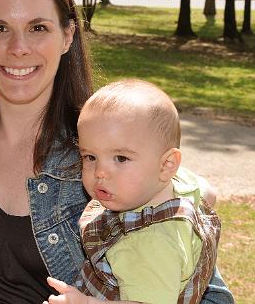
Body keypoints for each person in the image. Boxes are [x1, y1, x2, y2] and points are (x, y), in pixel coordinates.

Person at [0, 0, 233, 304]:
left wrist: (193, 197)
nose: (19, 48)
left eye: (38, 28)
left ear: (67, 36)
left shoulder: (106, 156)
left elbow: (210, 295)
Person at [45, 79, 221, 304]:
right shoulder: (181, 183)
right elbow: (209, 193)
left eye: (121, 158)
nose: (100, 172)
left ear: (167, 164)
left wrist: (88, 302)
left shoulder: (149, 243)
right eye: (90, 157)